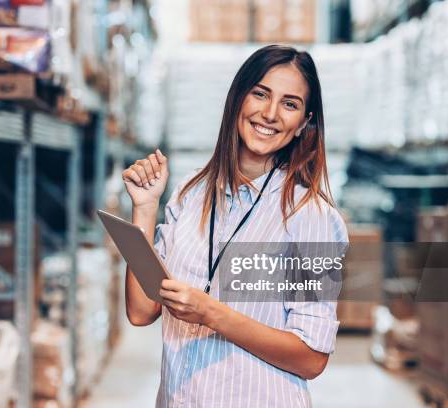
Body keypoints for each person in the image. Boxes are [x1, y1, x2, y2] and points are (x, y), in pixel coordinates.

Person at [121, 44, 348, 408]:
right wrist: (145, 210)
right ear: (238, 98)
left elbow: (311, 358)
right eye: (260, 94)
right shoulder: (189, 195)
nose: (270, 113)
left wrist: (213, 313)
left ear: (304, 123)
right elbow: (141, 311)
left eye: (289, 104)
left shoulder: (313, 219)